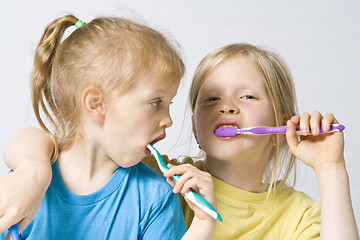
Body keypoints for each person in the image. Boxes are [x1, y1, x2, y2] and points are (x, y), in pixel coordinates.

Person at [1, 43, 359, 239]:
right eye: (211, 99)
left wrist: (330, 169)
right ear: (194, 124)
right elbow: (59, 142)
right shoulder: (162, 180)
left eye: (248, 97)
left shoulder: (298, 217)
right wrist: (33, 170)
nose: (227, 108)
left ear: (284, 121)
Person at [0, 14, 217, 240]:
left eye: (168, 104)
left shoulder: (156, 196)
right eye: (155, 103)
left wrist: (203, 223)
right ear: (96, 103)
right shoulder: (28, 184)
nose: (168, 120)